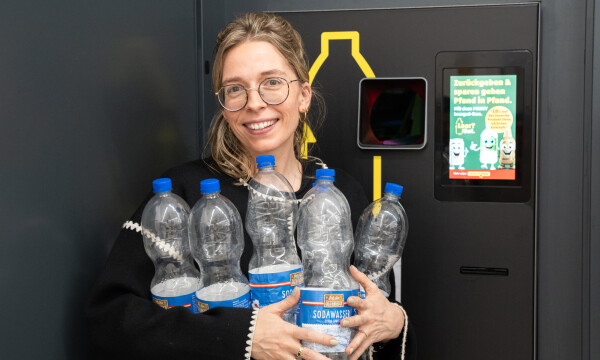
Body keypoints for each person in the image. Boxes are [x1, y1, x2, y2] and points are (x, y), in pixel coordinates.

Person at [85, 12, 415, 360]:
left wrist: (393, 322)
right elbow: (108, 319)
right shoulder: (183, 194)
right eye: (235, 89)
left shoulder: (342, 193)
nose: (255, 103)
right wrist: (242, 336)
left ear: (303, 96)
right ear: (224, 106)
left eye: (272, 82)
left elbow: (374, 308)